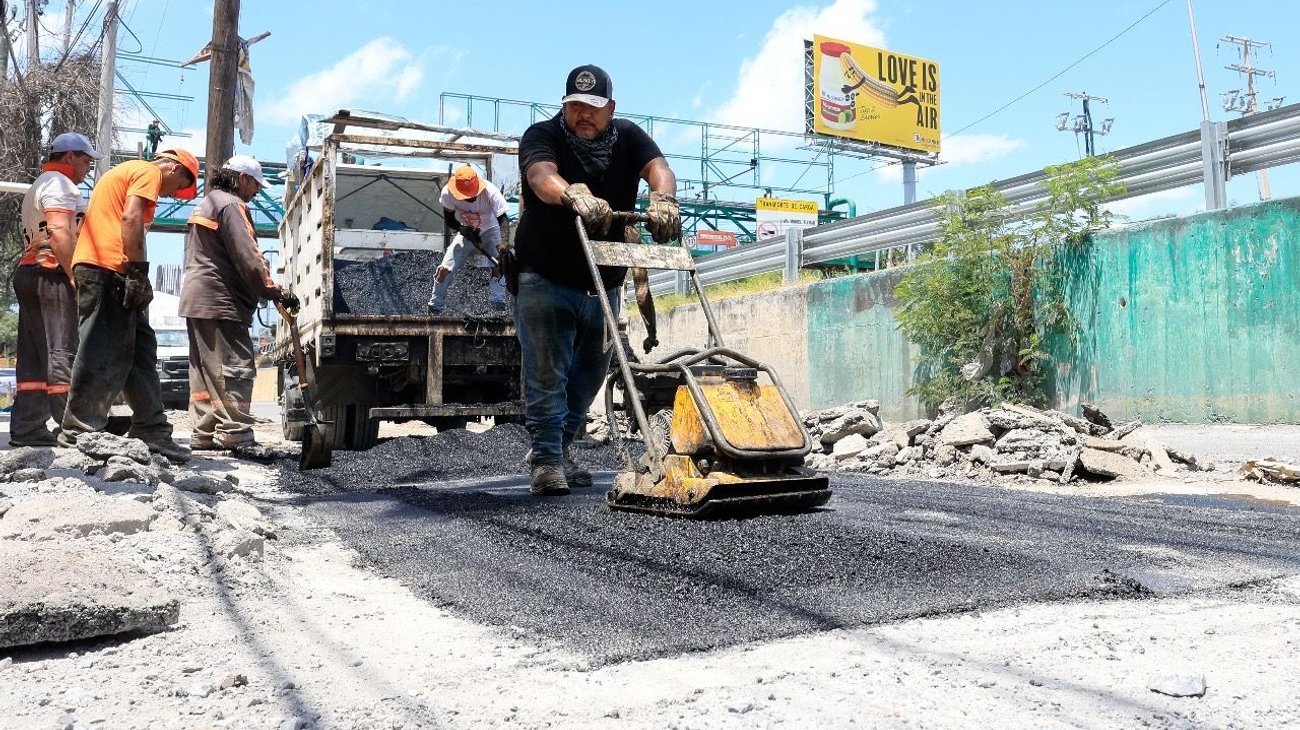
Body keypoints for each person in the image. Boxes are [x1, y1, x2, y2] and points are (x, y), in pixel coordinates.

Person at [513, 64, 681, 495]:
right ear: (564, 106)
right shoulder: (542, 135)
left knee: (587, 377)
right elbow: (539, 175)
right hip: (545, 278)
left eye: (592, 107)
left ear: (611, 108)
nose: (582, 115)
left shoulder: (627, 136)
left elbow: (658, 166)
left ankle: (560, 449)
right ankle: (547, 461)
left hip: (603, 282)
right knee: (547, 374)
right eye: (574, 107)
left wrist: (662, 198)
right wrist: (574, 194)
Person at [57, 148, 200, 462]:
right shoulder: (146, 172)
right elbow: (131, 218)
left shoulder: (125, 175)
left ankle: (151, 429)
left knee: (140, 351)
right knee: (98, 350)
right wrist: (138, 271)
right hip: (108, 268)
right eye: (177, 186)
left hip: (113, 268)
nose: (172, 193)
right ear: (174, 169)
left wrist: (135, 274)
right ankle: (78, 432)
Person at [180, 155, 296, 459]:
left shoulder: (208, 202)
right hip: (220, 300)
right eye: (255, 184)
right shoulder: (231, 206)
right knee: (236, 368)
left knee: (205, 373)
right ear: (242, 179)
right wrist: (274, 291)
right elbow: (249, 258)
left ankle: (203, 433)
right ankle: (236, 435)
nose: (256, 192)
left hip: (197, 299)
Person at [10, 132, 102, 446]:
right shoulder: (59, 184)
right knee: (64, 351)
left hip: (29, 271)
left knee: (34, 356)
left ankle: (28, 428)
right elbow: (61, 231)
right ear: (69, 157)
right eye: (86, 159)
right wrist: (75, 275)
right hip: (52, 272)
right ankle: (74, 429)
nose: (89, 166)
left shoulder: (41, 183)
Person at [427, 165, 509, 314]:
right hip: (467, 230)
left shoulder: (490, 191)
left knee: (499, 263)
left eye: (473, 194)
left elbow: (503, 219)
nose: (471, 198)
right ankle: (435, 306)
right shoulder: (447, 194)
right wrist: (462, 229)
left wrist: (503, 244)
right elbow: (450, 220)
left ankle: (498, 303)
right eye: (467, 196)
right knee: (445, 268)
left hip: (491, 229)